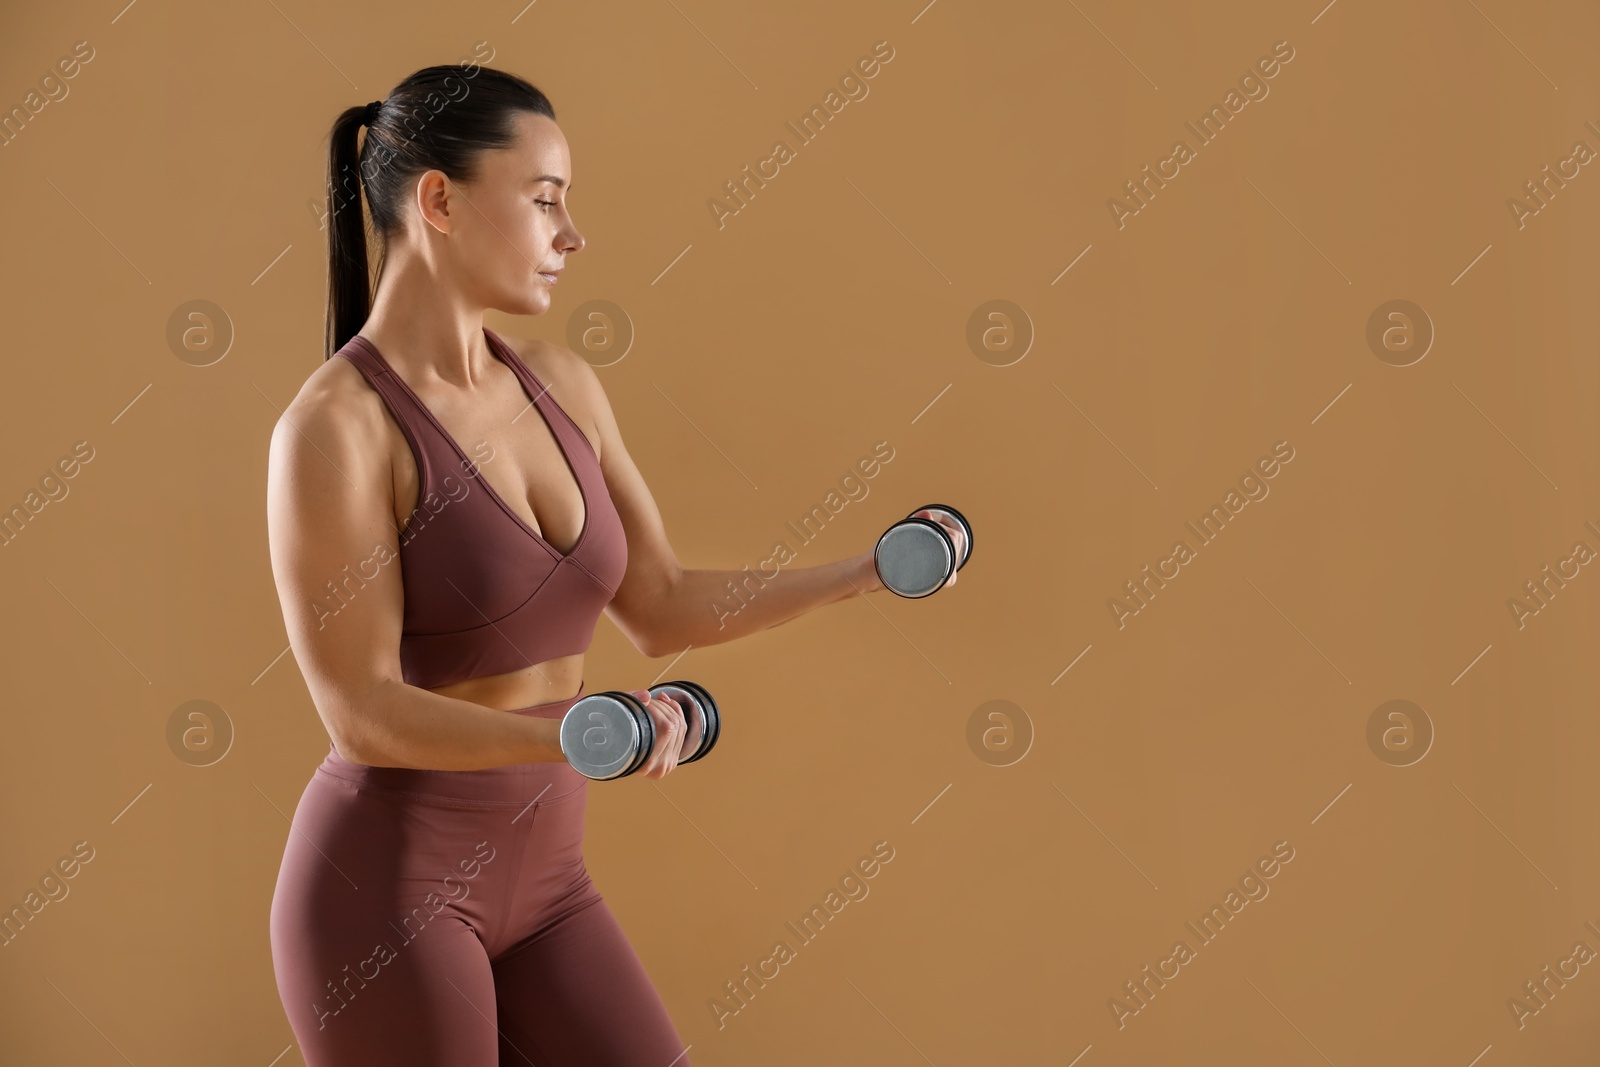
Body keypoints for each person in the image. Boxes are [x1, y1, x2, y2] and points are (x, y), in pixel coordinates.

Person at [264, 64, 966, 1067]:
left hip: (546, 881)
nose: (572, 234)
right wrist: (585, 734)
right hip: (389, 893)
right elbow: (363, 712)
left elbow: (662, 604)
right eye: (544, 200)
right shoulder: (334, 428)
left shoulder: (561, 382)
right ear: (438, 200)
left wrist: (864, 569)